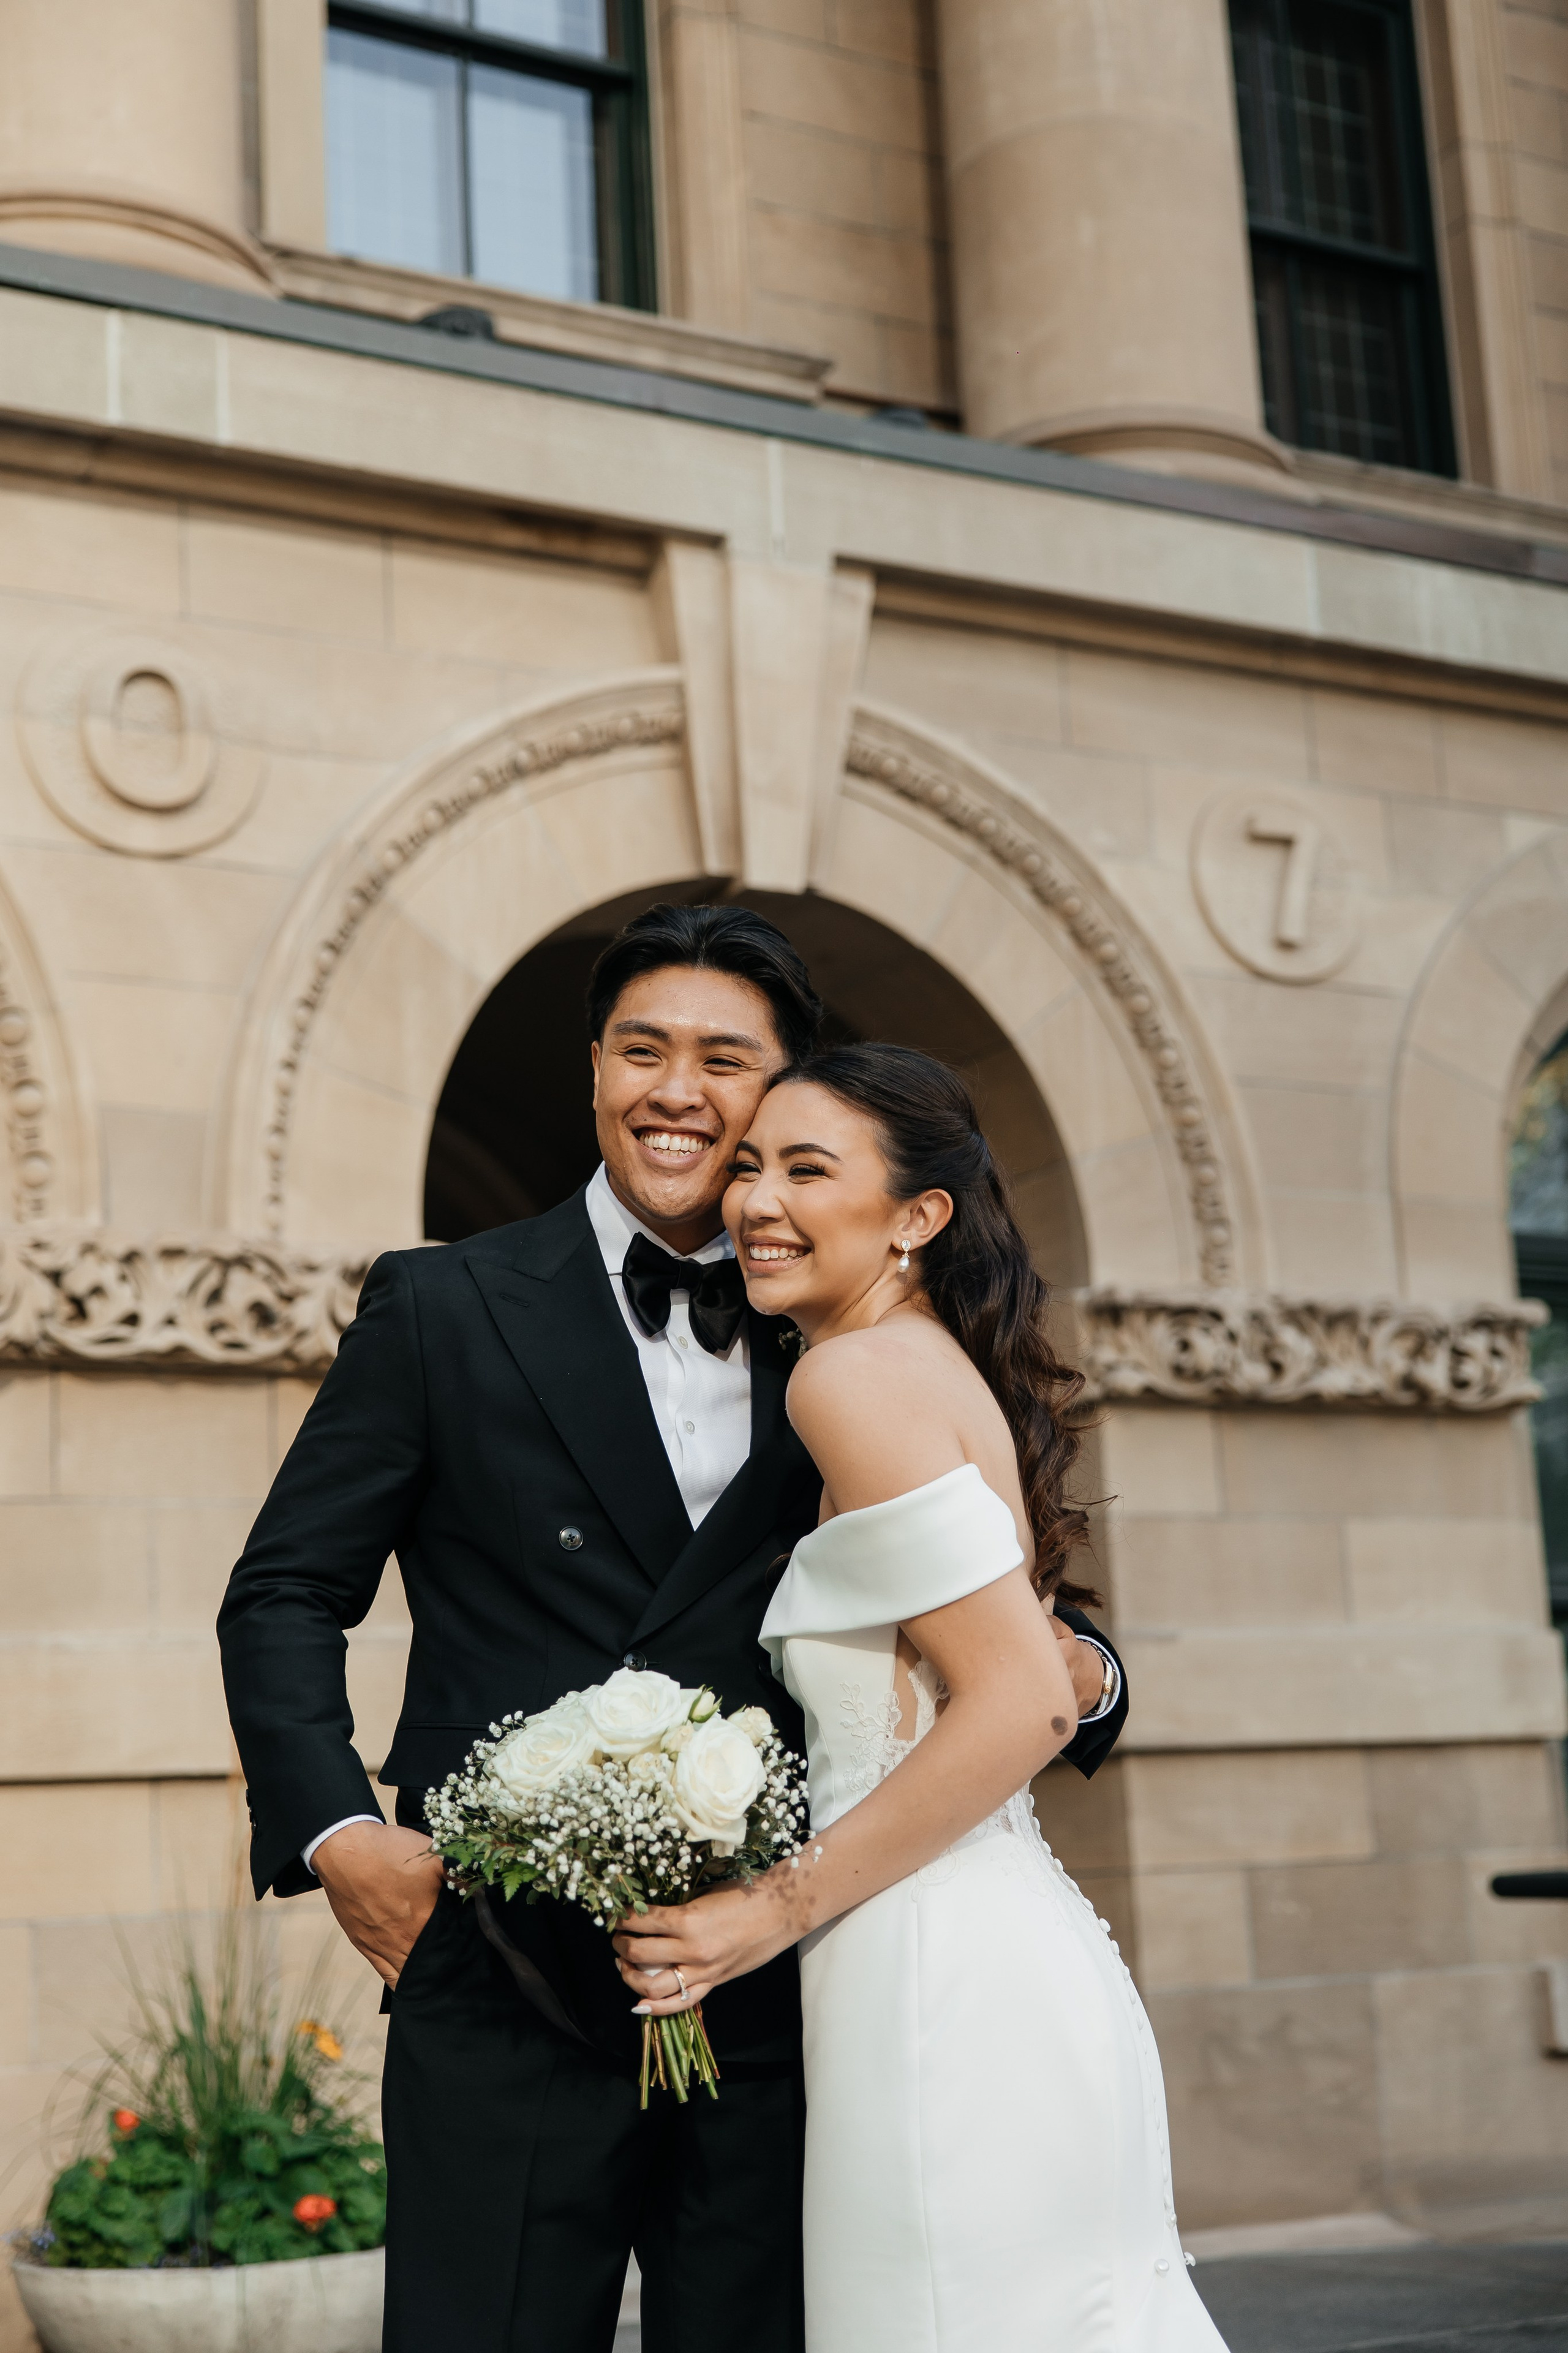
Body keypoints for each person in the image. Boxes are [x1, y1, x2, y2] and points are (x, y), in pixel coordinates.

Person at [217, 904, 1129, 2353]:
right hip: (499, 1962)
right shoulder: (440, 1304)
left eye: (725, 1059)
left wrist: (1091, 1669)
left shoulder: (835, 1324)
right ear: (594, 1072)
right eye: (642, 1049)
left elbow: (990, 1605)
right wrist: (340, 1836)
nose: (677, 1089)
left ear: (778, 1092)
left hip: (772, 1981)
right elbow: (281, 1591)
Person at [614, 1043, 1224, 2352]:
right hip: (990, 1944)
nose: (753, 1201)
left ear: (916, 1216)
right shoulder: (924, 1363)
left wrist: (755, 1916)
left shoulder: (848, 1378)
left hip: (935, 1980)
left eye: (805, 1169)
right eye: (747, 1166)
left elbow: (1022, 1707)